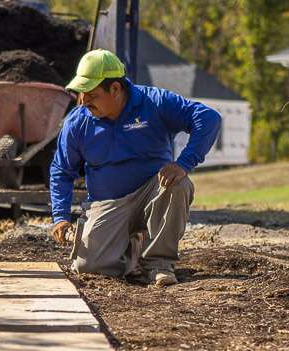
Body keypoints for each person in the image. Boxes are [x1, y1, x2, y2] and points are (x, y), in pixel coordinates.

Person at [49, 50, 221, 287]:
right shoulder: (77, 122)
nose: (83, 101)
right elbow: (61, 170)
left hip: (153, 193)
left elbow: (208, 118)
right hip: (108, 203)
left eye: (91, 94)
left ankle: (159, 263)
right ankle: (133, 251)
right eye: (81, 93)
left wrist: (184, 163)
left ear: (116, 89)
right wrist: (60, 216)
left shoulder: (155, 102)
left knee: (179, 184)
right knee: (90, 267)